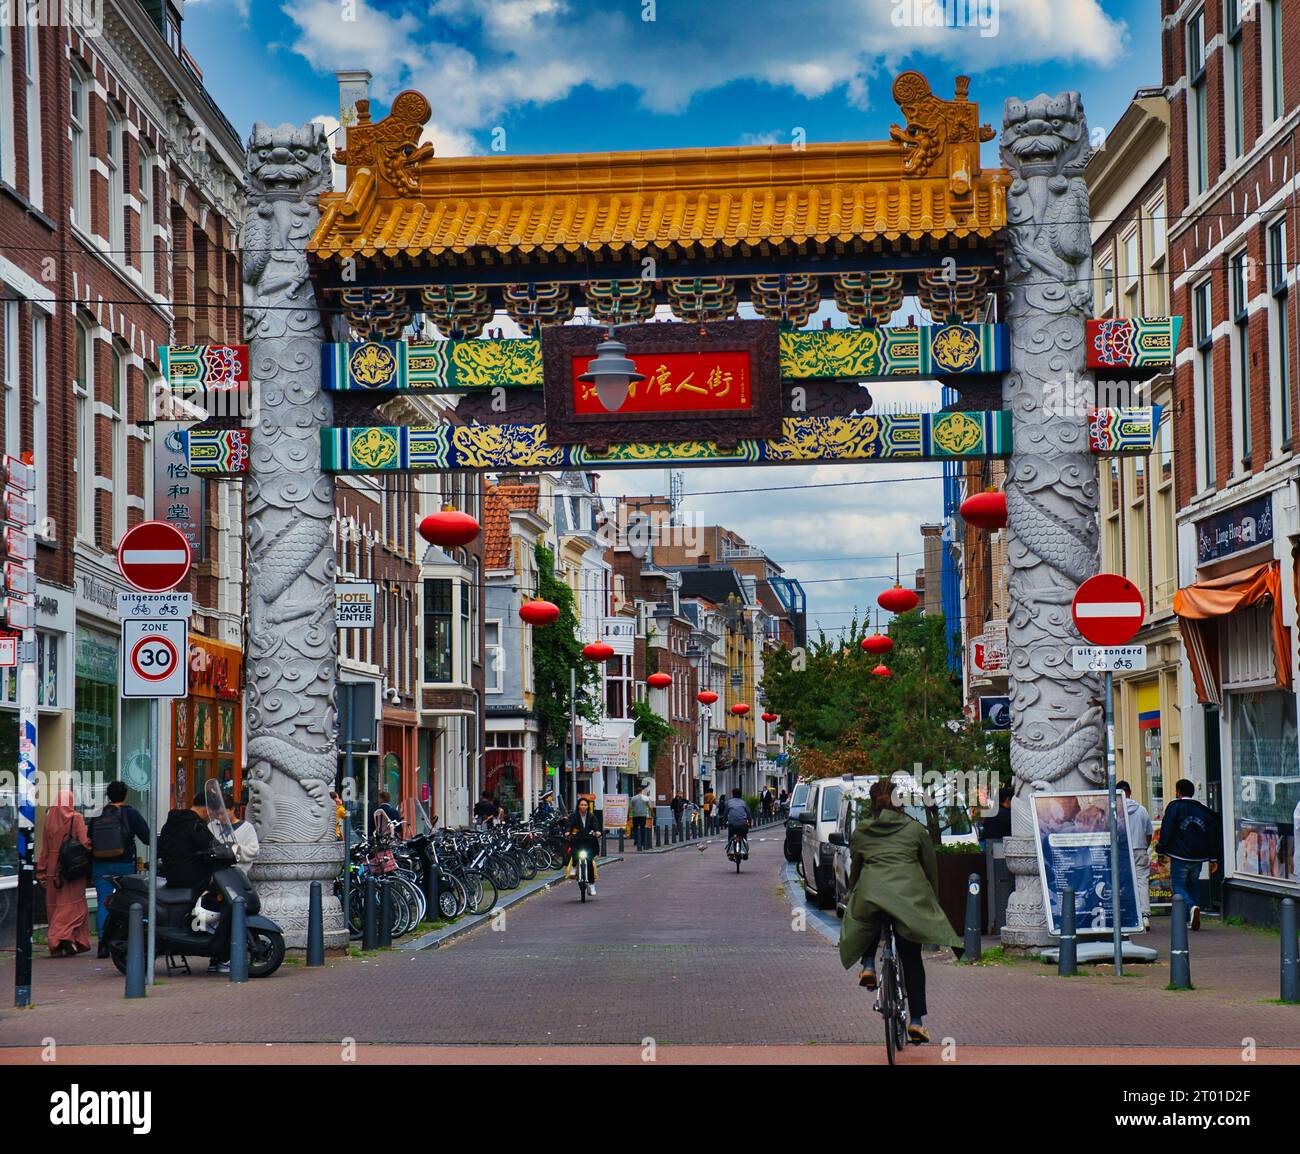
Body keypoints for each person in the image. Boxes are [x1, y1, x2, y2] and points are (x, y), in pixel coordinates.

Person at [838, 779, 962, 1045]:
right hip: (909, 897)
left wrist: (853, 893)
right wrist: (931, 903)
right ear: (900, 801)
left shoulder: (862, 831)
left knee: (868, 912)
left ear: (872, 803)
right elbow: (930, 871)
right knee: (911, 957)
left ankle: (869, 964)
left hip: (873, 892)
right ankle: (916, 1022)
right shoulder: (916, 830)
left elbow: (856, 870)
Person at [89, 781, 150, 957]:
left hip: (100, 864)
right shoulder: (131, 813)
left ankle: (103, 944)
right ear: (125, 795)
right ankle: (124, 940)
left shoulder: (97, 813)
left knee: (103, 902)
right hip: (124, 863)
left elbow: (90, 836)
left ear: (108, 796)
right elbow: (146, 838)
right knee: (128, 901)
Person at [1156, 778, 1221, 930]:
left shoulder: (1175, 807)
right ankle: (1190, 919)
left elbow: (1167, 829)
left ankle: (1192, 908)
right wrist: (1213, 858)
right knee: (1193, 884)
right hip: (1198, 857)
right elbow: (1212, 834)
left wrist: (1161, 850)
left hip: (1180, 855)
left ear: (1178, 792)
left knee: (1178, 885)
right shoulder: (1204, 810)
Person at [36, 789, 92, 957]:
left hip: (54, 867)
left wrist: (41, 871)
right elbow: (85, 843)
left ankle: (63, 942)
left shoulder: (49, 820)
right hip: (72, 868)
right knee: (75, 905)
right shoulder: (76, 818)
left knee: (56, 905)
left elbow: (44, 849)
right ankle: (60, 937)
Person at [1116, 781, 1154, 929]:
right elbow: (1149, 833)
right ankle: (1145, 916)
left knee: (1121, 883)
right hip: (1140, 849)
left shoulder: (1115, 812)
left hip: (1121, 851)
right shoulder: (1142, 810)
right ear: (1130, 791)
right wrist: (1144, 847)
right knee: (1141, 882)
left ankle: (1124, 915)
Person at [210, 789, 259, 879]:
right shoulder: (212, 826)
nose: (220, 817)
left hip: (236, 875)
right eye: (217, 814)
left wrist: (235, 849)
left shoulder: (246, 827)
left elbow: (254, 851)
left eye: (223, 813)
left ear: (232, 809)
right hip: (215, 875)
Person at [566, 797, 601, 895]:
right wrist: (568, 831)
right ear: (578, 806)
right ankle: (574, 867)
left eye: (585, 805)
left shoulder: (591, 816)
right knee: (574, 851)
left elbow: (595, 825)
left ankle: (592, 885)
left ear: (588, 806)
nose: (583, 807)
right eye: (581, 805)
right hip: (578, 839)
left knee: (589, 862)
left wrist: (597, 832)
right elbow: (569, 824)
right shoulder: (574, 816)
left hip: (589, 840)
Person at [721, 788, 750, 857]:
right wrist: (750, 823)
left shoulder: (729, 802)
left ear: (733, 794)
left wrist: (724, 823)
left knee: (730, 835)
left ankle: (729, 851)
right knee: (744, 835)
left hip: (732, 824)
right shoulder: (743, 802)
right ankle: (745, 850)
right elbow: (748, 814)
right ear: (740, 794)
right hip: (743, 824)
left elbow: (725, 814)